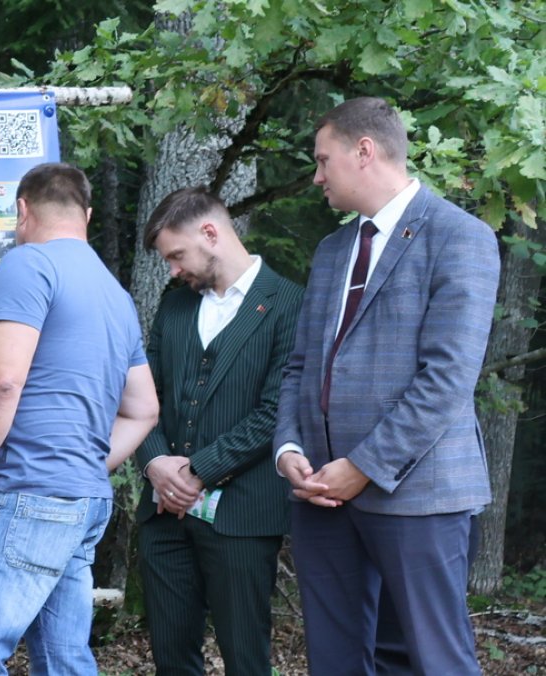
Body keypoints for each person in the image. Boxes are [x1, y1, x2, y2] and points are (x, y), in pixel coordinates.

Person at [273, 96, 500, 674]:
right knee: (336, 662)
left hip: (419, 494)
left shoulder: (460, 236)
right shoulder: (331, 252)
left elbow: (446, 379)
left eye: (323, 160)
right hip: (321, 495)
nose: (317, 176)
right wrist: (289, 448)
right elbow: (300, 367)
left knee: (433, 662)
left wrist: (363, 467)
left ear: (364, 151)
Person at [0, 162, 159, 675]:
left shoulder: (27, 265)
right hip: (83, 500)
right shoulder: (115, 295)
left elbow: (3, 380)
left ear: (22, 209)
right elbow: (144, 408)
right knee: (63, 660)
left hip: (25, 491)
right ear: (87, 215)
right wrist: (84, 465)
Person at [135, 187, 303, 675]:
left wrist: (197, 472)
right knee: (171, 660)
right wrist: (155, 463)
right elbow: (144, 396)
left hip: (243, 516)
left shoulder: (290, 303)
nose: (172, 270)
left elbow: (276, 410)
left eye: (176, 255)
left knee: (245, 659)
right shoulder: (175, 305)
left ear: (210, 233)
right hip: (164, 515)